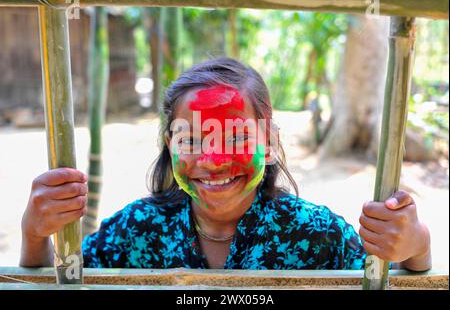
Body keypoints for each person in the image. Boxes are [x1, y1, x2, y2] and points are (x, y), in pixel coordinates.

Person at [20, 57, 431, 271]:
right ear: (170, 145)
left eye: (235, 137)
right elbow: (64, 283)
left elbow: (393, 279)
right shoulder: (134, 230)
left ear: (268, 143)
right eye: (192, 139)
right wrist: (35, 235)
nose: (213, 161)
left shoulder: (317, 235)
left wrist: (416, 246)